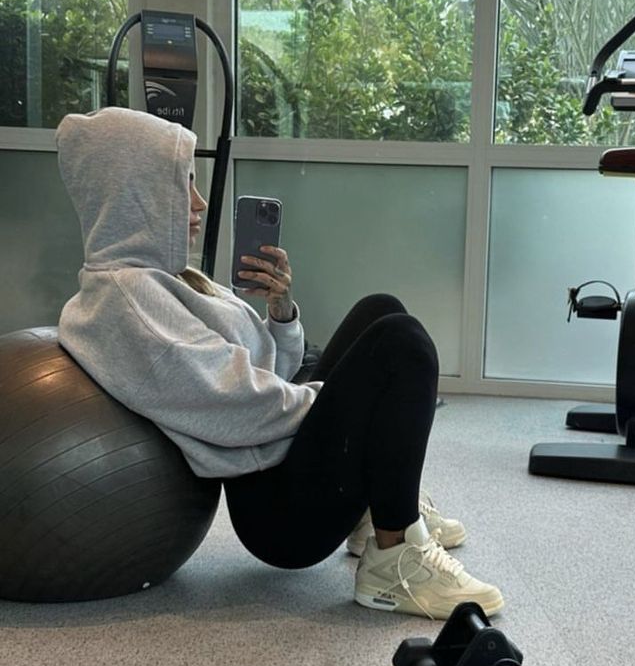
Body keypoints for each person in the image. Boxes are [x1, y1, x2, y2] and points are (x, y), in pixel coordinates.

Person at [55, 107, 504, 620]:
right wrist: (339, 400)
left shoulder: (164, 277)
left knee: (380, 309)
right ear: (136, 195)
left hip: (273, 453)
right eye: (183, 185)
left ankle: (374, 509)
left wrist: (281, 311)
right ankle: (394, 558)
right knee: (403, 345)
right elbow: (234, 404)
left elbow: (264, 368)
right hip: (280, 510)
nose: (199, 204)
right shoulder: (127, 301)